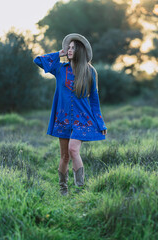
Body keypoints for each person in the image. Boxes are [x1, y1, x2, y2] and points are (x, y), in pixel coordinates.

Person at [33, 33, 107, 196]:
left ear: (80, 51)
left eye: (73, 48)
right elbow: (38, 60)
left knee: (73, 149)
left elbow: (94, 100)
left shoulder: (89, 72)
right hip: (63, 119)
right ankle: (63, 189)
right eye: (69, 47)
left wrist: (101, 123)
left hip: (82, 119)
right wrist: (59, 54)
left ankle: (80, 188)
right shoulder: (60, 69)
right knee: (64, 155)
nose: (69, 50)